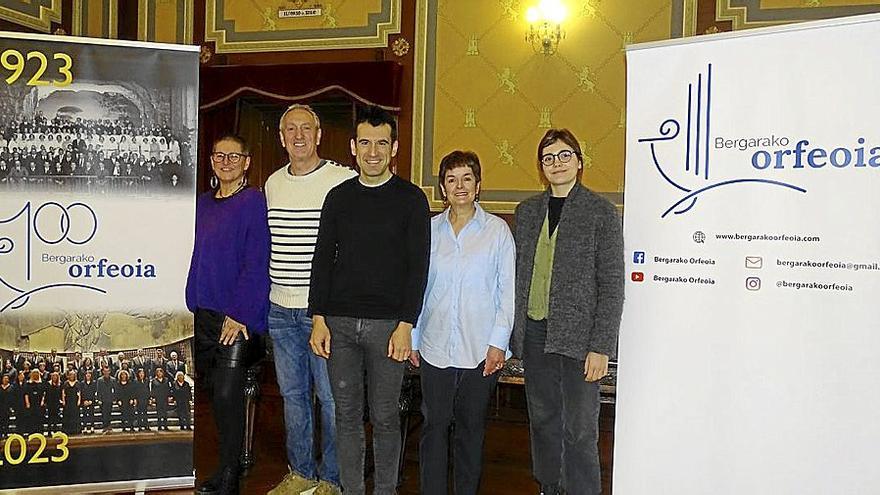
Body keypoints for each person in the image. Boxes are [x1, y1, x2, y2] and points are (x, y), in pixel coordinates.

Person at [309, 105, 430, 494]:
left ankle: (385, 490)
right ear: (353, 147)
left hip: (388, 329)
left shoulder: (411, 199)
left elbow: (418, 268)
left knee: (385, 419)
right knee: (344, 416)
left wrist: (406, 324)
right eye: (365, 143)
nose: (373, 151)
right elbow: (322, 257)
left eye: (381, 143)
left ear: (394, 148)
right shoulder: (338, 197)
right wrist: (318, 318)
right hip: (339, 325)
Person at [512, 129, 624, 495]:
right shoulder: (527, 212)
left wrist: (601, 346)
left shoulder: (600, 213)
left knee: (579, 428)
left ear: (579, 161)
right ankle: (550, 486)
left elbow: (612, 284)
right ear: (541, 168)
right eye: (548, 158)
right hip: (535, 333)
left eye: (563, 155)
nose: (556, 163)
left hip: (580, 341)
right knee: (543, 420)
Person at [410, 151, 515, 495]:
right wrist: (413, 337)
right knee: (434, 426)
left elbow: (506, 292)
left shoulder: (497, 232)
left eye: (466, 178)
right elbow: (417, 288)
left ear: (478, 185)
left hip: (480, 349)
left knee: (470, 429)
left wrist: (499, 342)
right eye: (451, 179)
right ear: (442, 187)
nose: (459, 186)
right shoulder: (428, 232)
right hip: (434, 345)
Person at [265, 104, 354, 495]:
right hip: (279, 310)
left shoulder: (342, 180)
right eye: (290, 129)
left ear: (319, 135)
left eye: (306, 128)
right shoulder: (271, 184)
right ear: (281, 138)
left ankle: (332, 480)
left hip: (324, 313)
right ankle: (300, 472)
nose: (298, 135)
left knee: (332, 401)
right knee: (293, 397)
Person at [185, 134, 270, 495]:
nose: (226, 161)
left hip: (237, 318)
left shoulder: (253, 202)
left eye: (234, 155)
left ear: (247, 162)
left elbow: (258, 261)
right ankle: (223, 469)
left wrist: (240, 314)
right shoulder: (202, 203)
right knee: (214, 400)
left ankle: (231, 476)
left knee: (226, 396)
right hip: (203, 314)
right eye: (219, 155)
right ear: (211, 161)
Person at [23, 370, 45, 434]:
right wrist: (27, 403)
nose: (35, 374)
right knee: (31, 418)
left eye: (36, 373)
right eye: (34, 373)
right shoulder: (28, 383)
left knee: (39, 417)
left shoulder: (42, 383)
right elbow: (26, 394)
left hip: (39, 403)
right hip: (31, 403)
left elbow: (44, 393)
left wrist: (42, 401)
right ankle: (31, 431)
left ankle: (39, 431)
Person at [151, 367, 171, 431]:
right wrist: (153, 398)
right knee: (159, 413)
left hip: (165, 398)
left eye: (161, 372)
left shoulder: (166, 380)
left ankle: (165, 426)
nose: (159, 373)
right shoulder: (153, 380)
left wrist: (169, 397)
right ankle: (159, 426)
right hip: (158, 398)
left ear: (162, 373)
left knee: (165, 412)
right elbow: (153, 390)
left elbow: (168, 389)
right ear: (156, 373)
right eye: (158, 372)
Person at [96, 366, 116, 432]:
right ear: (103, 372)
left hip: (110, 399)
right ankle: (105, 426)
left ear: (109, 372)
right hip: (103, 400)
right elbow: (98, 391)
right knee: (104, 413)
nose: (106, 372)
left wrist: (114, 399)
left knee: (109, 413)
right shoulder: (100, 380)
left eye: (108, 371)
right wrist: (99, 399)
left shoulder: (113, 379)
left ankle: (109, 426)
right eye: (105, 371)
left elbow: (114, 390)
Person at [61, 370, 81, 435]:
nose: (72, 376)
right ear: (69, 376)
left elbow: (79, 393)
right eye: (71, 375)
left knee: (75, 415)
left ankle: (76, 430)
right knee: (67, 415)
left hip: (75, 401)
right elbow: (63, 392)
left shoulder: (77, 383)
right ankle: (67, 430)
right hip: (68, 401)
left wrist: (79, 400)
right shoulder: (66, 383)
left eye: (73, 375)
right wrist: (63, 400)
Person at [80, 370, 97, 434]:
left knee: (91, 414)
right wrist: (84, 401)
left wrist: (91, 401)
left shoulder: (94, 383)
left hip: (91, 401)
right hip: (84, 401)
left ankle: (92, 427)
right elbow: (81, 393)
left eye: (89, 374)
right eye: (87, 374)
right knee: (84, 414)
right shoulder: (82, 383)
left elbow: (95, 392)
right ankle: (85, 427)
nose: (88, 375)